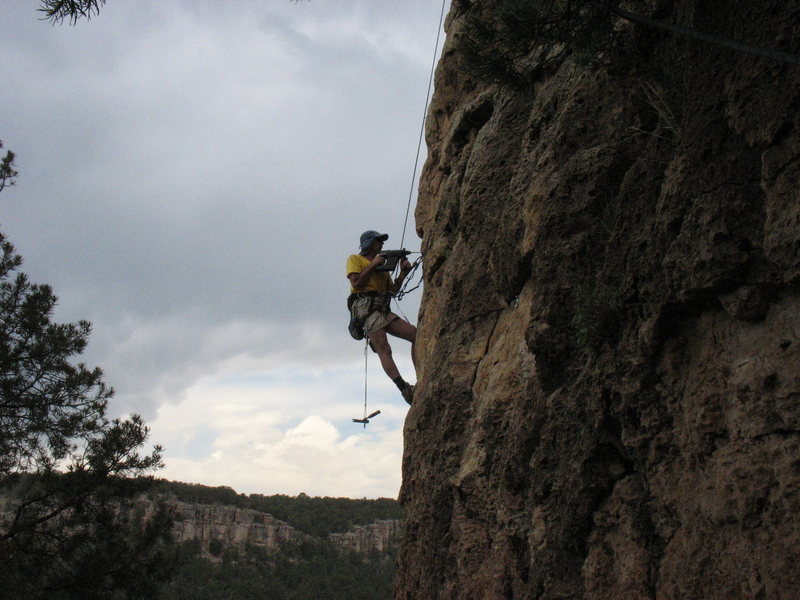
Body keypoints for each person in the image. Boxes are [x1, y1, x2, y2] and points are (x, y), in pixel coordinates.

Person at [346, 230, 417, 405]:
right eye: (378, 241)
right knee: (384, 348)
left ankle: (421, 374)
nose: (381, 244)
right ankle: (404, 388)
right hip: (367, 309)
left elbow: (392, 291)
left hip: (383, 308)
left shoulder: (382, 267)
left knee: (416, 335)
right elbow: (356, 283)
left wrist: (403, 273)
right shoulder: (355, 259)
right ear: (369, 243)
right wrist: (372, 265)